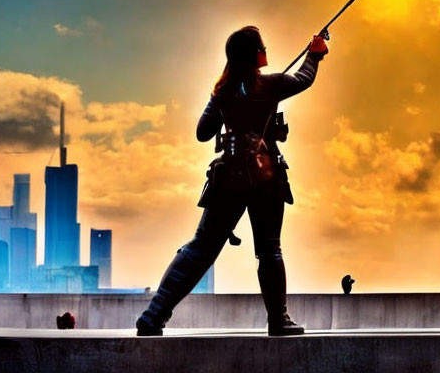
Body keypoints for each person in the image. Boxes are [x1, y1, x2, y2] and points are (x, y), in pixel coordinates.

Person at [136, 26, 329, 337]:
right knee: (269, 250)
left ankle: (154, 315)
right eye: (262, 46)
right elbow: (304, 79)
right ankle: (278, 321)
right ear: (256, 55)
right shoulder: (273, 84)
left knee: (200, 248)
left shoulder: (222, 92)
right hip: (267, 179)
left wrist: (226, 105)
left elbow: (203, 132)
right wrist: (315, 54)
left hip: (228, 180)